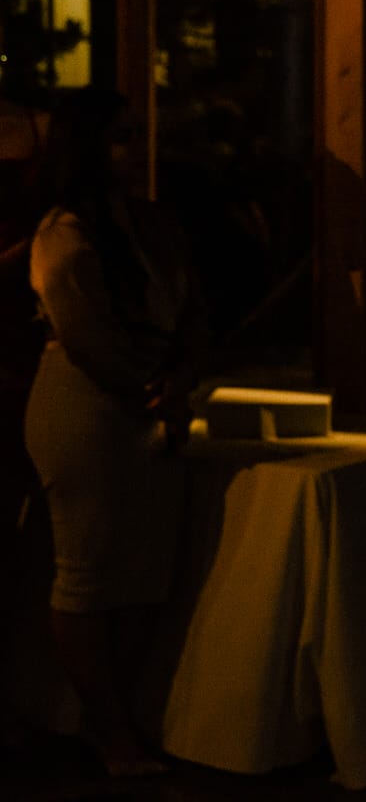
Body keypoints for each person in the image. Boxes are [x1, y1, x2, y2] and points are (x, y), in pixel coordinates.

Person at [23, 87, 208, 777]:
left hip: (151, 404)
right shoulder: (62, 231)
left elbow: (191, 311)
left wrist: (182, 374)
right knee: (89, 573)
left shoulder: (150, 224)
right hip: (89, 413)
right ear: (87, 148)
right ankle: (107, 731)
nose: (135, 151)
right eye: (120, 137)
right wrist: (149, 389)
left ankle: (114, 717)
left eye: (137, 135)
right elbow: (86, 335)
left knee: (143, 575)